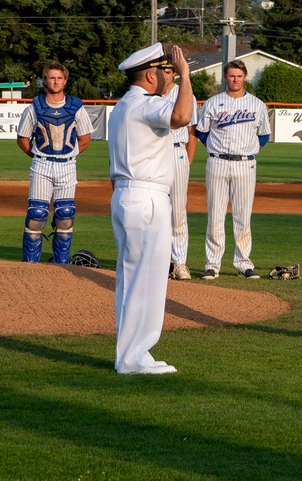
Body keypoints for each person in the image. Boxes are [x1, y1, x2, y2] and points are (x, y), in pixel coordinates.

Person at [108, 42, 193, 375]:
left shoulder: (124, 105)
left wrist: (174, 79)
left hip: (130, 196)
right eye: (164, 70)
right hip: (146, 198)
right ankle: (134, 358)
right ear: (149, 73)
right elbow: (182, 117)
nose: (169, 75)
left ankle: (130, 354)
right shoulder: (143, 105)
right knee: (147, 280)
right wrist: (185, 74)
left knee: (132, 280)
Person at [196, 59, 271, 280]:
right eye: (231, 75)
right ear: (225, 78)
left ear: (245, 77)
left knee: (242, 216)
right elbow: (202, 132)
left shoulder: (257, 104)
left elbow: (264, 135)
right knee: (215, 215)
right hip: (217, 162)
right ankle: (212, 264)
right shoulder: (212, 102)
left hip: (245, 163)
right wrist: (213, 146)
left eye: (238, 76)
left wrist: (250, 148)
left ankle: (243, 263)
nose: (235, 79)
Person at [16, 62, 93, 263]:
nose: (55, 81)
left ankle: (61, 266)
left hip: (67, 165)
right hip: (41, 165)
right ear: (45, 80)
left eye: (59, 78)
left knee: (65, 216)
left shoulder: (76, 106)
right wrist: (37, 157)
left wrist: (68, 157)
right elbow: (22, 139)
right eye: (51, 77)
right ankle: (30, 265)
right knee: (36, 215)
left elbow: (84, 139)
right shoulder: (35, 107)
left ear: (65, 81)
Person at [164, 74, 198, 280]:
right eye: (162, 69)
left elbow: (192, 130)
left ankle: (180, 262)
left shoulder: (184, 93)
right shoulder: (149, 94)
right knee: (153, 211)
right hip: (154, 153)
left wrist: (187, 160)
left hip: (177, 152)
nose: (165, 73)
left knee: (177, 211)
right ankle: (159, 261)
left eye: (169, 69)